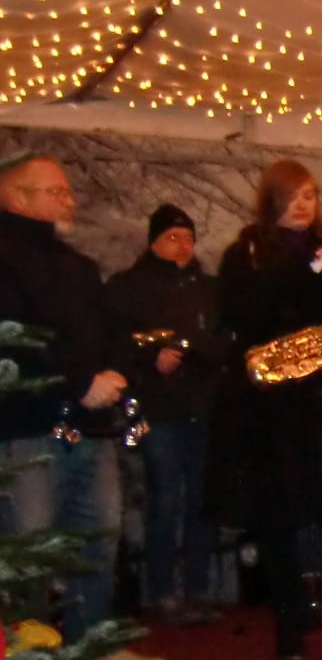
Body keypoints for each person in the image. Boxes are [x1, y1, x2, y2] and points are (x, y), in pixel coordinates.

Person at [0, 154, 165, 660]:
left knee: (98, 535)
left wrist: (115, 372)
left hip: (90, 427)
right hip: (26, 430)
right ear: (17, 197)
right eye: (56, 191)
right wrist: (81, 383)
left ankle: (92, 646)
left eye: (68, 191)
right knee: (29, 545)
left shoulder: (78, 267)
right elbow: (18, 341)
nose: (69, 200)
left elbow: (113, 330)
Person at [218, 160, 322, 660]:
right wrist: (300, 274)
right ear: (273, 201)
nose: (303, 205)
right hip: (272, 408)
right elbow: (241, 316)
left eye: (310, 195)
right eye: (293, 196)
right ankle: (289, 624)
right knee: (278, 516)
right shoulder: (246, 254)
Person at [104, 203, 231, 625]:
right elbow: (117, 342)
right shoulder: (129, 287)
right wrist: (150, 360)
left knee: (202, 501)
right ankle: (161, 591)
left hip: (202, 406)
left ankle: (198, 589)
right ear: (153, 241)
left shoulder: (209, 289)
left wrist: (198, 351)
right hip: (158, 408)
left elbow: (224, 340)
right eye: (173, 237)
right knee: (164, 498)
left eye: (189, 238)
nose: (183, 245)